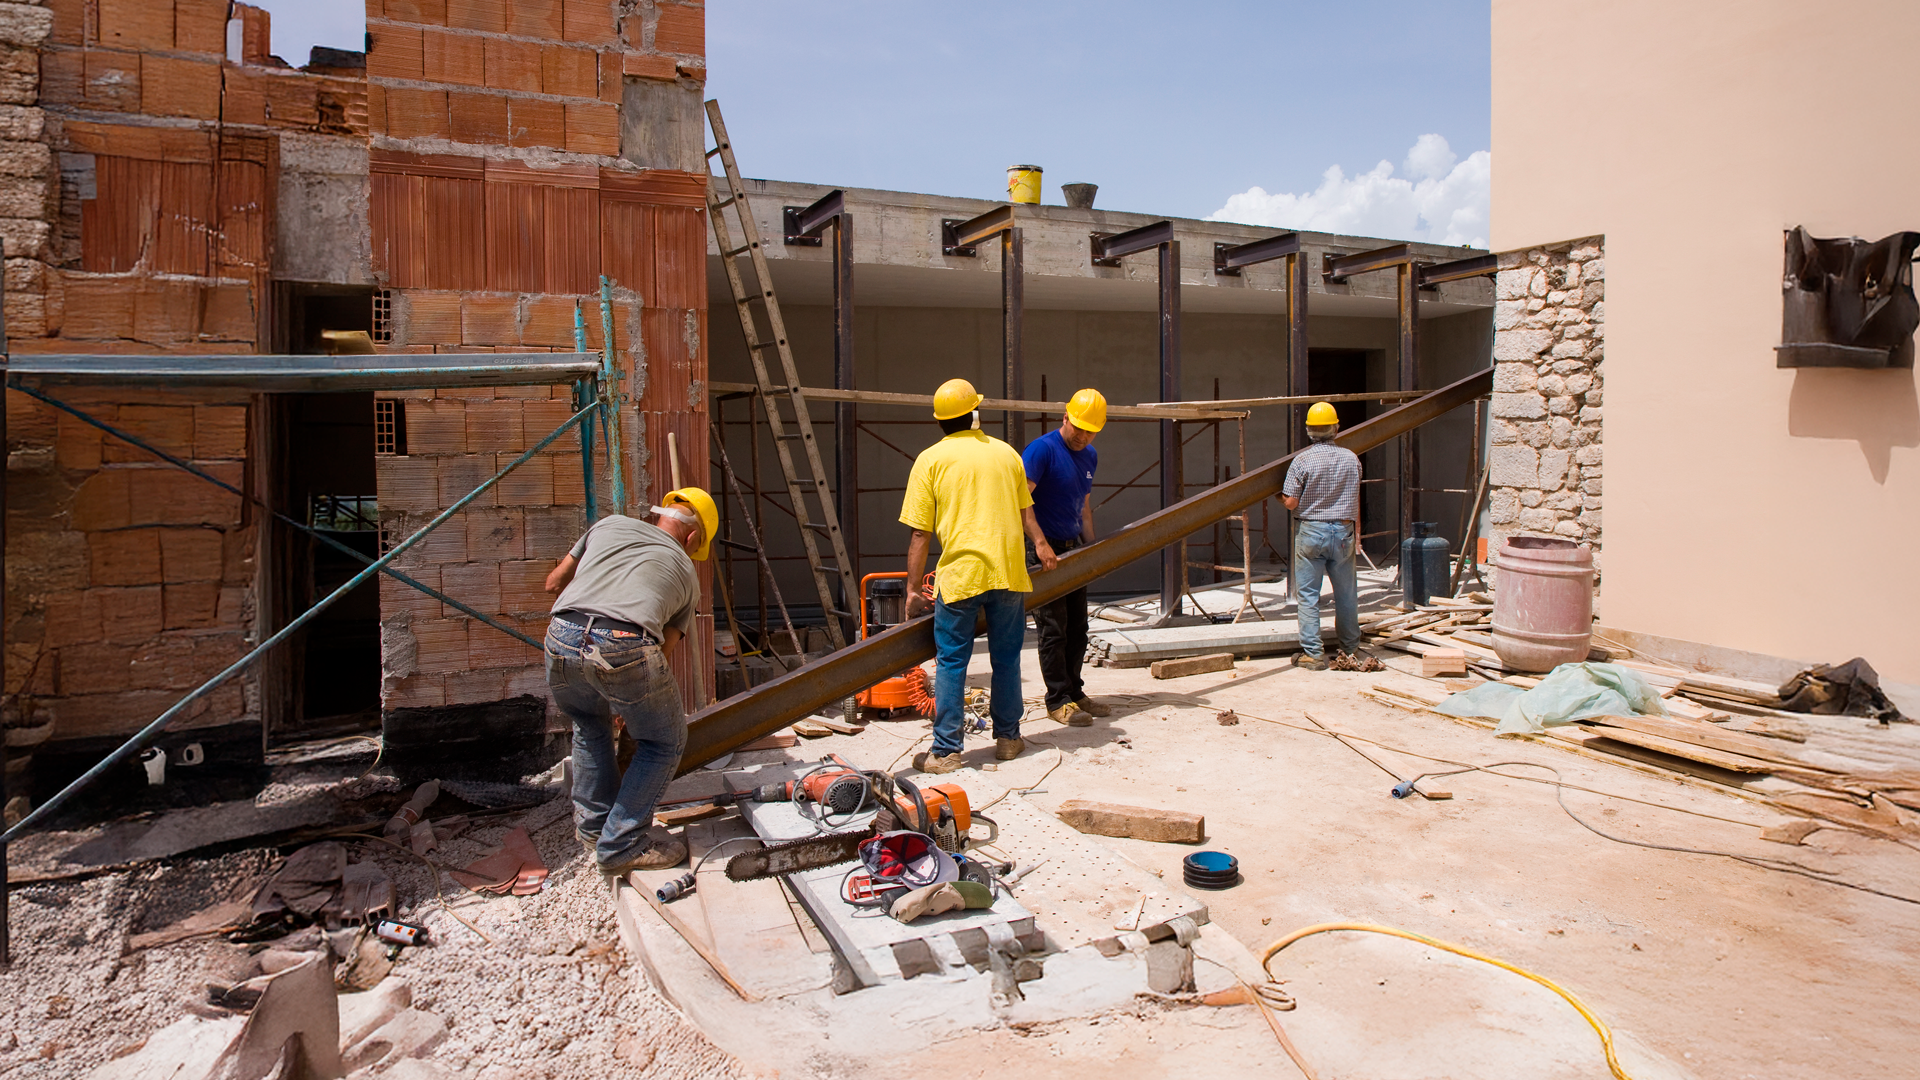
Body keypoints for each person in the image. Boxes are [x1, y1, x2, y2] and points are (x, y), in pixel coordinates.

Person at [542, 487, 717, 874]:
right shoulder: (687, 575)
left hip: (562, 633)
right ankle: (622, 845)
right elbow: (662, 652)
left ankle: (593, 831)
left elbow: (553, 584)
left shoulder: (608, 525)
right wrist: (631, 699)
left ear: (661, 516)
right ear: (692, 538)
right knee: (663, 742)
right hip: (624, 642)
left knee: (589, 725)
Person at [901, 378, 1058, 773]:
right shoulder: (1006, 455)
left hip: (961, 576)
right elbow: (1024, 512)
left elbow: (920, 533)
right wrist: (1041, 543)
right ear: (975, 414)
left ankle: (946, 752)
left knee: (952, 662)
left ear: (939, 421)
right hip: (1007, 573)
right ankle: (1008, 739)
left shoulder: (930, 461)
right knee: (1006, 658)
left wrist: (912, 589)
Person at [1021, 388, 1112, 727]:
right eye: (1079, 428)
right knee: (1053, 627)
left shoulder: (1090, 456)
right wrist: (1041, 544)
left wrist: (1093, 550)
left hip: (1073, 548)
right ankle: (1057, 699)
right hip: (1043, 548)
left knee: (1078, 626)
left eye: (1091, 432)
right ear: (1065, 418)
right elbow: (1020, 502)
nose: (1083, 436)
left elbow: (1083, 507)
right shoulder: (1042, 450)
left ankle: (1075, 692)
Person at [1282, 402, 1363, 670]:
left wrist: (1281, 497)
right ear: (1336, 428)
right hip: (1343, 532)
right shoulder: (1351, 458)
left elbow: (1291, 502)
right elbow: (1354, 495)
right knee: (1346, 594)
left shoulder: (1302, 460)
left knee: (1308, 596)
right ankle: (1350, 649)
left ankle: (1314, 654)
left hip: (1312, 532)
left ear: (1308, 430)